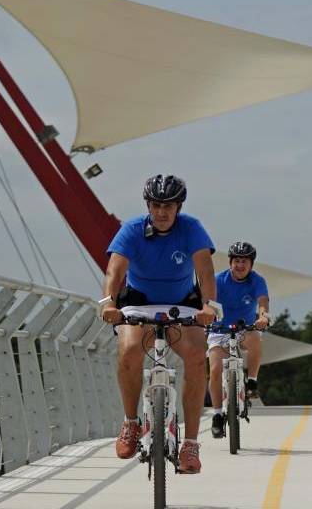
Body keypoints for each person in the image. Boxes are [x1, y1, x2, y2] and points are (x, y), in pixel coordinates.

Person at [100, 174, 218, 474]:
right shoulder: (132, 229)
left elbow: (204, 270)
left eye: (169, 206)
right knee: (128, 349)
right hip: (139, 302)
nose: (162, 212)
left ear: (179, 206)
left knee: (195, 358)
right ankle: (130, 423)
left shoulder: (191, 228)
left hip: (181, 303)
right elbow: (115, 270)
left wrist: (209, 306)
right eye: (155, 205)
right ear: (148, 206)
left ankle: (190, 443)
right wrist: (109, 303)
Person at [207, 241, 270, 438]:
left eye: (244, 261)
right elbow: (206, 301)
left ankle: (251, 381)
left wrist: (263, 317)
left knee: (255, 339)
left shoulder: (257, 280)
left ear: (251, 264)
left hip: (245, 328)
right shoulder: (218, 280)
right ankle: (217, 414)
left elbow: (262, 302)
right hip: (220, 329)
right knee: (215, 369)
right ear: (230, 262)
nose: (239, 265)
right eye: (236, 261)